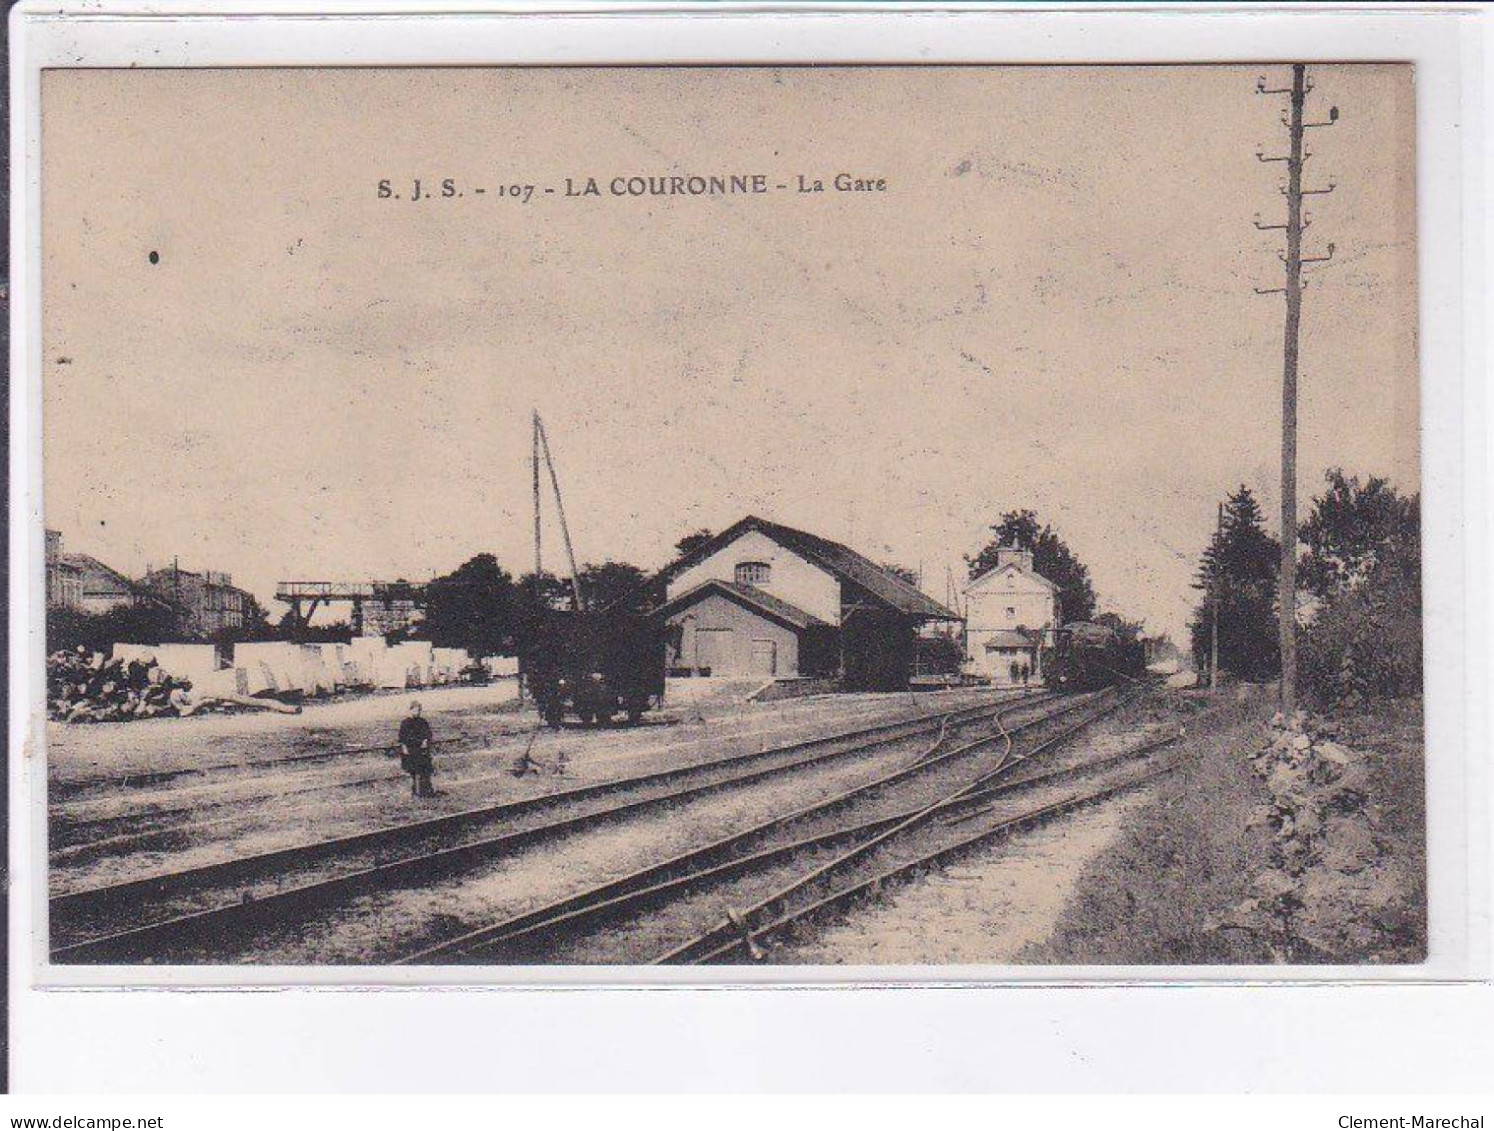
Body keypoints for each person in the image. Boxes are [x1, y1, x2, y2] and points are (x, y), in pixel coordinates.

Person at [397, 700, 436, 798]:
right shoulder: (405, 723)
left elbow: (428, 734)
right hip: (410, 751)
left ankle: (423, 791)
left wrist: (425, 741)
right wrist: (405, 749)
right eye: (415, 710)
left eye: (418, 711)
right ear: (410, 710)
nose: (417, 713)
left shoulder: (422, 722)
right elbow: (402, 739)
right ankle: (415, 792)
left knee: (424, 772)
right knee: (413, 772)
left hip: (421, 751)